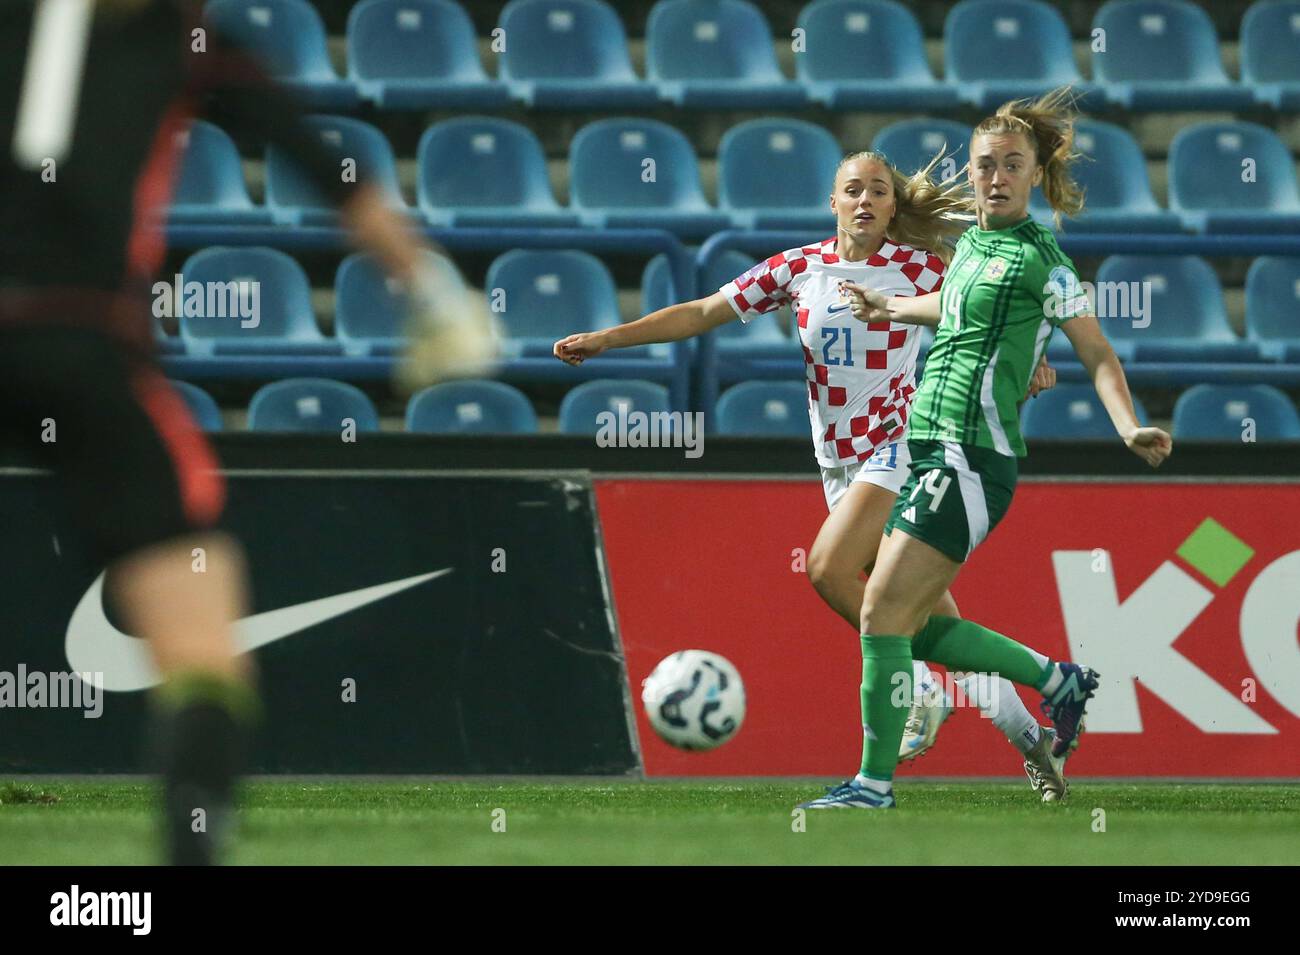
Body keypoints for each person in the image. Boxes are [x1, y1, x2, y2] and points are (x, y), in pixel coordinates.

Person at [0, 0, 488, 863]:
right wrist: (436, 296)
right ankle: (189, 846)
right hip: (90, 349)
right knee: (202, 651)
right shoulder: (189, 39)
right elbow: (323, 164)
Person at [554, 147, 1072, 800]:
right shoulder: (800, 269)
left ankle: (915, 698)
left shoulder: (921, 270)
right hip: (840, 466)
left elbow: (996, 319)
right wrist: (608, 338)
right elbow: (702, 312)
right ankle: (1038, 736)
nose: (865, 200)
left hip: (904, 446)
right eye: (853, 189)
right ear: (833, 202)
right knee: (930, 624)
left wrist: (1031, 366)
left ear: (891, 206)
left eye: (878, 191)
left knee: (828, 568)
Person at [798, 87, 1173, 810]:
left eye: (1011, 164)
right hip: (927, 447)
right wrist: (892, 306)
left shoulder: (1046, 262)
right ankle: (1057, 680)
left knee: (882, 614)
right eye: (984, 165)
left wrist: (1127, 424)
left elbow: (1096, 352)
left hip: (970, 458)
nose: (994, 177)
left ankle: (875, 784)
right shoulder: (971, 244)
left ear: (1036, 175)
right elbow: (955, 303)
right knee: (910, 620)